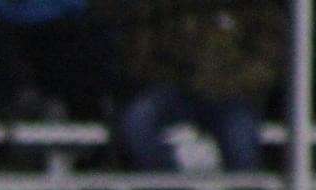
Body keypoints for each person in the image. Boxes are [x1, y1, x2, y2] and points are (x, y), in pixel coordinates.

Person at [115, 0, 285, 173]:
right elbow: (138, 49)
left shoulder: (253, 7)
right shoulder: (161, 7)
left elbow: (267, 58)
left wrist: (230, 83)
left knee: (240, 138)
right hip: (170, 89)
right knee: (136, 120)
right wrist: (161, 74)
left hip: (230, 94)